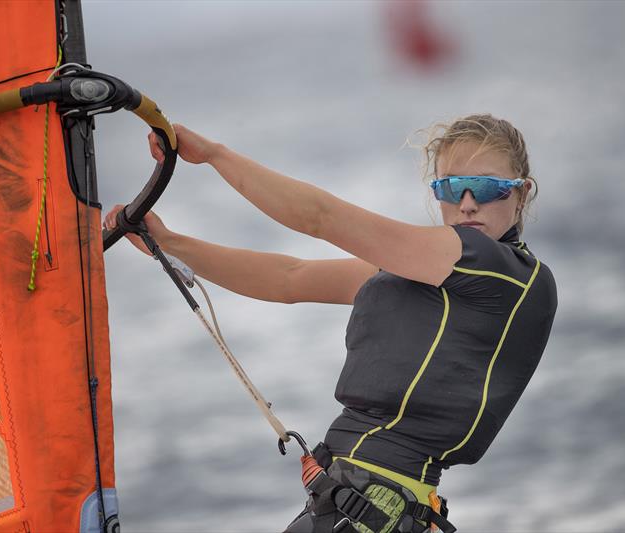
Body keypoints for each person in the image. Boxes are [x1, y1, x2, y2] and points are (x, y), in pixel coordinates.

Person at [103, 114, 557, 533]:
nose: (467, 203)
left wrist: (215, 155)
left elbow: (322, 218)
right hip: (352, 499)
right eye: (450, 187)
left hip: (375, 502)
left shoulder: (498, 271)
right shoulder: (433, 272)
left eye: (486, 185)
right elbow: (290, 279)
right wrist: (171, 243)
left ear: (521, 194)